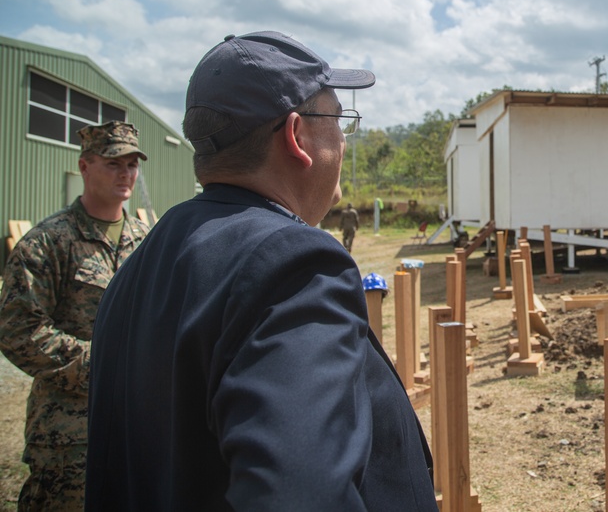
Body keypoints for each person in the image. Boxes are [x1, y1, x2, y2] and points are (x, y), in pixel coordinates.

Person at [86, 31, 437, 511]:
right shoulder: (294, 264)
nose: (343, 140)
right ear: (297, 137)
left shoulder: (142, 266)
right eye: (339, 120)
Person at [0, 121, 149, 511]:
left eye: (132, 164)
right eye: (114, 162)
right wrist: (98, 365)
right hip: (69, 433)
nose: (126, 173)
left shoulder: (146, 242)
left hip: (134, 425)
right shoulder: (48, 242)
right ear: (85, 167)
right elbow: (17, 329)